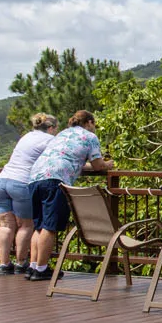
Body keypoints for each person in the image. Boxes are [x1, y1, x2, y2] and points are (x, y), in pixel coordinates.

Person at [25, 110, 114, 282]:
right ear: (89, 122)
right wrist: (108, 164)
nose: (94, 128)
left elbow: (71, 159)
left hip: (35, 177)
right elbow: (98, 165)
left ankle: (33, 266)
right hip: (55, 179)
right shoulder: (89, 137)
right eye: (94, 124)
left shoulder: (62, 134)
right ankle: (42, 269)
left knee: (39, 226)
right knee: (50, 226)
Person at [0, 114, 58, 275]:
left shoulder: (26, 136)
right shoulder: (49, 140)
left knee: (5, 225)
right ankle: (21, 263)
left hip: (1, 181)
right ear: (51, 128)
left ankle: (4, 264)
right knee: (26, 225)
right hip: (21, 182)